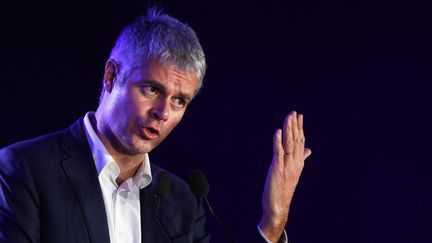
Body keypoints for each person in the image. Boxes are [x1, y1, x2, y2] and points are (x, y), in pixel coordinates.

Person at [0, 8, 311, 243]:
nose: (163, 112)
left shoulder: (182, 202)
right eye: (152, 89)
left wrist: (273, 221)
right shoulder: (24, 169)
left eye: (180, 101)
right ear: (111, 76)